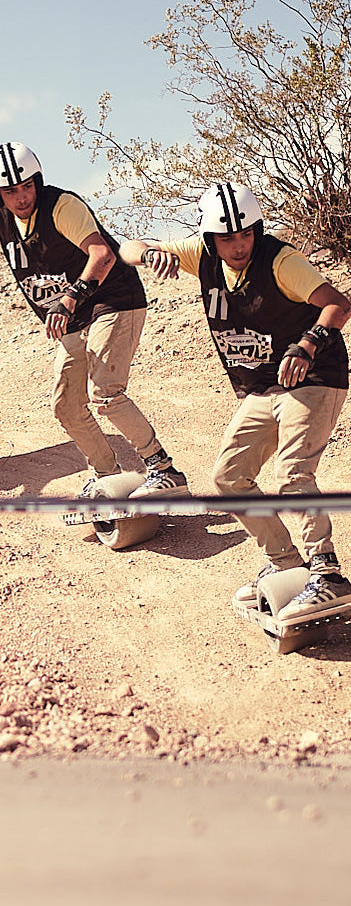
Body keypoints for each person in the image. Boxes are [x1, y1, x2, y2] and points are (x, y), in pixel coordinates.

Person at [121, 181, 351, 626]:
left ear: (257, 230)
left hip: (314, 378)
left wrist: (307, 343)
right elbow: (128, 246)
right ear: (210, 238)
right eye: (227, 237)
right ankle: (287, 564)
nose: (239, 245)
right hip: (265, 388)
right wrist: (150, 253)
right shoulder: (200, 257)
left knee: (292, 475)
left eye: (246, 234)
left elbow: (337, 304)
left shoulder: (280, 260)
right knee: (228, 478)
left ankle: (328, 573)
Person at [0, 141, 186, 497]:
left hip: (111, 301)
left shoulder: (62, 206)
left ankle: (163, 469)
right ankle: (108, 476)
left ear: (38, 181)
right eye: (10, 190)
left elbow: (103, 255)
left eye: (27, 186)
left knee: (106, 394)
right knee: (66, 406)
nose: (21, 197)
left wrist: (68, 300)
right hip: (73, 319)